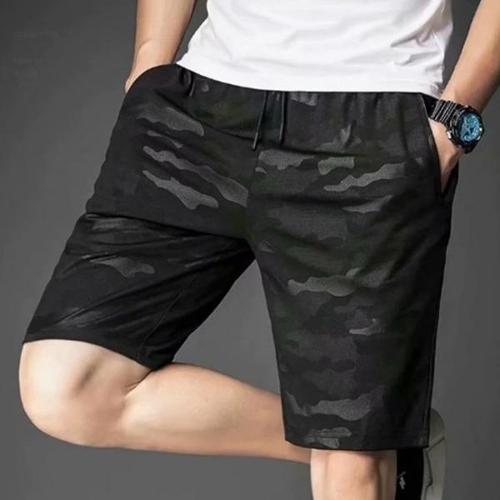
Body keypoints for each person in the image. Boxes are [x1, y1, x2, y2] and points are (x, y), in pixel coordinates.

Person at [18, 0, 498, 499]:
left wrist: (454, 119)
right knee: (66, 387)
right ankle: (385, 452)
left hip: (368, 128)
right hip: (199, 109)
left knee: (351, 463)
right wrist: (148, 64)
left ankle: (368, 451)